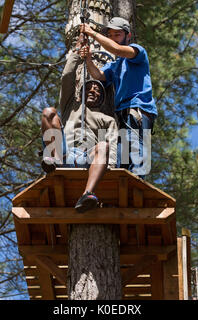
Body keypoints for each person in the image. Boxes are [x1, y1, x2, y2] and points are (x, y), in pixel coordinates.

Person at [40, 40, 118, 213]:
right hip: (63, 151)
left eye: (98, 91)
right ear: (81, 92)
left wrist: (110, 167)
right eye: (89, 88)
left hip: (87, 158)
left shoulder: (106, 119)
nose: (93, 91)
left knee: (103, 145)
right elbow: (67, 76)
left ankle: (87, 194)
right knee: (49, 112)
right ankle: (54, 160)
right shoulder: (71, 106)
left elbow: (111, 144)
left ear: (101, 99)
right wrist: (76, 53)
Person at [79, 17, 156, 179]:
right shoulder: (115, 65)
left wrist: (92, 33)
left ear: (128, 36)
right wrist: (88, 59)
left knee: (135, 145)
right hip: (122, 113)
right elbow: (99, 76)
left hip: (137, 108)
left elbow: (117, 50)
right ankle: (127, 182)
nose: (114, 38)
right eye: (111, 35)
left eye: (117, 34)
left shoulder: (137, 52)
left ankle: (137, 181)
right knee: (123, 153)